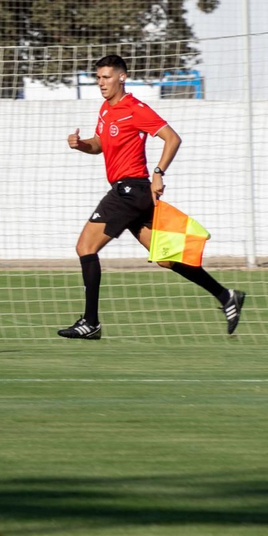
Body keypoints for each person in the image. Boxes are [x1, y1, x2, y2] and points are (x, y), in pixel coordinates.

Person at [59, 54, 245, 340]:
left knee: (85, 246)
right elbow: (99, 145)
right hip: (130, 193)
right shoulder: (106, 109)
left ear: (122, 76)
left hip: (130, 191)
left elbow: (173, 138)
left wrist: (159, 172)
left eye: (106, 77)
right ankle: (226, 296)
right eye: (98, 78)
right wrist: (81, 145)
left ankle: (91, 322)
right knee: (166, 259)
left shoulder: (135, 108)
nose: (101, 83)